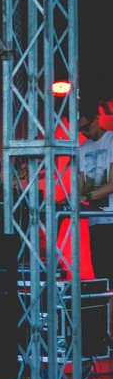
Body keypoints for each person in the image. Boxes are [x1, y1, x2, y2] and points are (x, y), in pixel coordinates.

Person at [78, 99, 113, 288]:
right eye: (80, 129)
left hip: (111, 217)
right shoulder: (82, 148)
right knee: (101, 275)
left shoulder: (112, 141)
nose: (83, 132)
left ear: (96, 119)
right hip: (95, 220)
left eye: (85, 127)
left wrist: (87, 197)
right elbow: (81, 187)